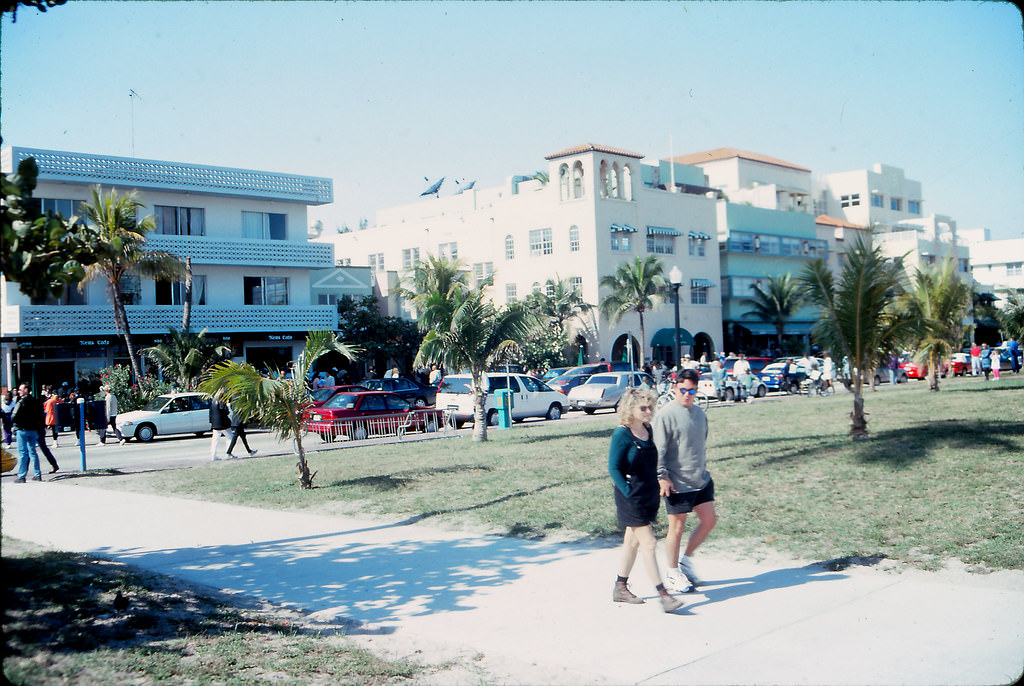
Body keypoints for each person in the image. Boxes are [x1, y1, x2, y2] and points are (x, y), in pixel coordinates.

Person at [608, 387, 683, 613]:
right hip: (631, 497)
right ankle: (664, 595)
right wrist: (628, 492)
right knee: (649, 543)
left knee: (632, 542)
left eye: (650, 406)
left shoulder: (648, 430)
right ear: (630, 409)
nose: (648, 411)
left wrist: (662, 480)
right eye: (643, 407)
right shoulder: (622, 434)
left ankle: (620, 586)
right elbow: (613, 468)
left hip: (649, 495)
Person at [654, 368, 717, 591]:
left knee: (709, 520)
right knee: (677, 528)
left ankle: (686, 562)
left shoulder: (700, 414)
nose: (687, 395)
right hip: (676, 482)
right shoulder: (665, 415)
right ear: (674, 388)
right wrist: (662, 477)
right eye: (683, 390)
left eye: (692, 391)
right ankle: (672, 573)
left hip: (700, 479)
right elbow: (658, 450)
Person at [12, 383, 44, 483]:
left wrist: (15, 425)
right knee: (33, 452)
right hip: (33, 429)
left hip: (22, 429)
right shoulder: (36, 401)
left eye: (20, 389)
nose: (18, 391)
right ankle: (37, 474)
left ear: (26, 389)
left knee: (22, 453)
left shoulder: (21, 402)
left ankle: (22, 476)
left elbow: (14, 415)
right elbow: (41, 415)